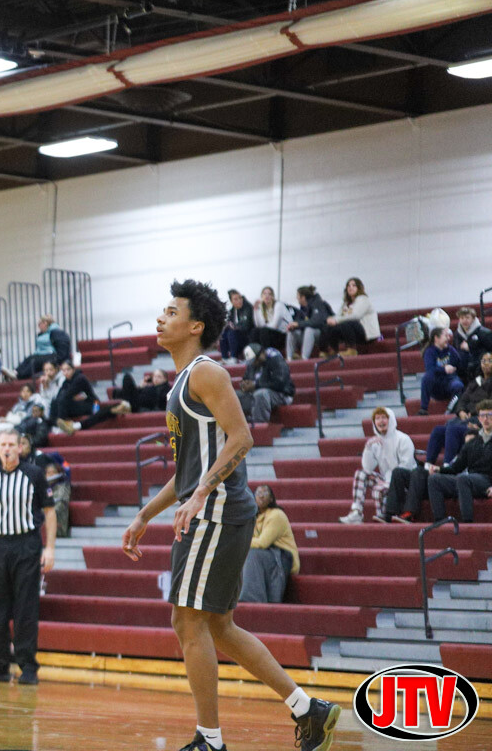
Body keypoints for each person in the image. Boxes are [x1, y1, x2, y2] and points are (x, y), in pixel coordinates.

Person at [122, 280, 339, 751]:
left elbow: (242, 437)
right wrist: (145, 515)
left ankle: (211, 740)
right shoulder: (180, 383)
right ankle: (308, 709)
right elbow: (187, 471)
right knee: (219, 626)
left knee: (187, 622)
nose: (161, 317)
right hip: (214, 509)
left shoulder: (206, 373)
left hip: (216, 512)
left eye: (171, 311)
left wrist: (201, 492)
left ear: (195, 326)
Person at [0, 429, 56, 685]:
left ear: (20, 448)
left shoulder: (34, 474)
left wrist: (50, 548)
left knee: (26, 607)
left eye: (12, 444)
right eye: (3, 444)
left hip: (27, 544)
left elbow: (50, 512)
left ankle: (28, 667)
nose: (7, 449)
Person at [389, 408, 473, 524]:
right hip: (440, 475)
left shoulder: (475, 450)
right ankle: (390, 513)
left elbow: (459, 470)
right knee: (399, 472)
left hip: (451, 482)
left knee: (419, 473)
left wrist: (442, 470)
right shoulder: (460, 450)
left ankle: (409, 513)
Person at [340, 407, 414, 524]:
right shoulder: (375, 442)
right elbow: (367, 468)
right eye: (377, 418)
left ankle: (383, 516)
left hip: (404, 483)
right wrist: (368, 449)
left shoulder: (403, 439)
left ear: (391, 420)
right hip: (386, 480)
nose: (381, 421)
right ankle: (356, 512)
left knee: (378, 489)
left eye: (384, 418)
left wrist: (387, 481)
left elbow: (406, 467)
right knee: (360, 474)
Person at [426, 401, 492, 522]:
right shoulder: (473, 442)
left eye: (489, 415)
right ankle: (441, 522)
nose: (486, 419)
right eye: (482, 415)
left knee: (463, 479)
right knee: (434, 479)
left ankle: (467, 524)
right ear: (478, 418)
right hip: (471, 480)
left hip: (487, 480)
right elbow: (457, 467)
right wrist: (439, 469)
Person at [240, 486, 298, 604]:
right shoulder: (254, 517)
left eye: (265, 493)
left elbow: (263, 543)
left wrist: (240, 543)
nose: (261, 496)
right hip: (267, 554)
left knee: (252, 554)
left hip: (283, 556)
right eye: (258, 493)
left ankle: (253, 599)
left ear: (271, 498)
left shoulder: (277, 515)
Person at [20, 434, 72, 538]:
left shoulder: (40, 458)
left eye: (23, 443)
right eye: (18, 444)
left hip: (49, 519)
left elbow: (57, 506)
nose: (20, 446)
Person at [318, 277, 379, 356]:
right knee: (328, 326)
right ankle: (330, 350)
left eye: (354, 285)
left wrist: (336, 320)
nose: (350, 288)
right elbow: (338, 316)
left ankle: (352, 350)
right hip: (351, 330)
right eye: (348, 286)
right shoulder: (346, 303)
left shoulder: (363, 299)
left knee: (346, 323)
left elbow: (356, 316)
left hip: (366, 333)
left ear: (359, 288)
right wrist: (331, 320)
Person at [236, 345, 295, 425]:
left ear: (263, 353)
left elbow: (280, 383)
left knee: (260, 394)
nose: (254, 363)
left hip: (282, 394)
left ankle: (259, 425)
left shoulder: (276, 360)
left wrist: (256, 385)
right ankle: (239, 425)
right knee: (236, 395)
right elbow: (246, 378)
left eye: (255, 360)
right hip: (259, 392)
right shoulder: (252, 364)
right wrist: (244, 384)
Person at [421, 328, 466, 416]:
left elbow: (460, 365)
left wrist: (465, 352)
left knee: (458, 385)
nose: (448, 338)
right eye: (445, 336)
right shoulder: (430, 351)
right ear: (436, 338)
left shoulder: (451, 350)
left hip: (450, 382)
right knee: (426, 378)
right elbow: (430, 369)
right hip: (436, 385)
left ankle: (451, 410)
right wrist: (444, 369)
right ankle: (423, 409)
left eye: (448, 336)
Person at [15, 315, 73, 379]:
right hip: (47, 355)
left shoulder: (57, 332)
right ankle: (16, 372)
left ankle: (19, 376)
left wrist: (57, 361)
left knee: (35, 361)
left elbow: (62, 351)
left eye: (39, 324)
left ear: (45, 323)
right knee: (29, 358)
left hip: (54, 357)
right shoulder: (43, 334)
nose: (38, 327)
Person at [286, 286, 333, 361]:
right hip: (308, 336)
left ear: (303, 297)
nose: (296, 298)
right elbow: (299, 322)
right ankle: (289, 359)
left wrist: (298, 324)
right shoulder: (303, 308)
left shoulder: (318, 303)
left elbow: (316, 321)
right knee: (292, 331)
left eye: (297, 296)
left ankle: (304, 359)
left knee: (309, 330)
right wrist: (293, 326)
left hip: (323, 336)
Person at [51, 360, 97, 433]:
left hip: (90, 404)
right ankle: (55, 425)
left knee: (63, 401)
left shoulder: (80, 378)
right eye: (64, 370)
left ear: (73, 369)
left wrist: (70, 397)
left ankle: (62, 424)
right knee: (54, 402)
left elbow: (67, 395)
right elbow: (59, 396)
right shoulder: (66, 382)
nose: (66, 372)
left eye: (68, 369)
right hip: (76, 404)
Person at [250, 287, 295, 357]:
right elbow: (258, 325)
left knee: (264, 331)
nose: (267, 296)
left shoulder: (278, 305)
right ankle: (254, 355)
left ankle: (266, 356)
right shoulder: (262, 307)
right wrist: (256, 310)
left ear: (273, 296)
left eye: (269, 294)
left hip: (284, 336)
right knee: (254, 331)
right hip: (271, 334)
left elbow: (274, 325)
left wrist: (264, 327)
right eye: (264, 294)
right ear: (261, 296)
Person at [454, 308, 492, 381]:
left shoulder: (484, 333)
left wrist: (470, 348)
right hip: (463, 369)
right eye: (462, 318)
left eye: (467, 318)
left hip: (479, 367)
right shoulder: (457, 334)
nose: (464, 320)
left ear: (473, 319)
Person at [219, 290, 254, 362]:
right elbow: (228, 323)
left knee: (232, 332)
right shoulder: (232, 311)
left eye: (240, 298)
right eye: (236, 299)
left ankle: (233, 357)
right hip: (235, 338)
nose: (239, 301)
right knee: (224, 333)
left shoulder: (247, 308)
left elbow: (246, 326)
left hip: (247, 337)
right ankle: (224, 358)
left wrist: (234, 326)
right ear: (231, 301)